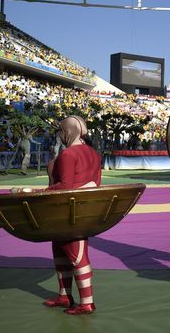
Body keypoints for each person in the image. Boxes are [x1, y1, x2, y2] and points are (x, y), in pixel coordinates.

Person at [44, 116, 101, 315]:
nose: (59, 135)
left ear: (67, 132)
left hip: (68, 212)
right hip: (84, 210)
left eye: (60, 131)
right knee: (61, 252)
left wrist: (41, 191)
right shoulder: (94, 153)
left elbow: (65, 186)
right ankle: (64, 295)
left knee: (77, 256)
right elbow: (96, 184)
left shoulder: (68, 154)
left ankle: (87, 302)